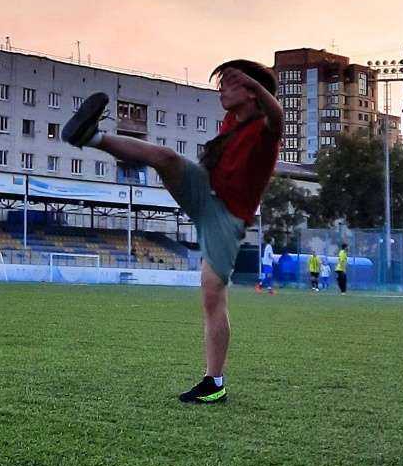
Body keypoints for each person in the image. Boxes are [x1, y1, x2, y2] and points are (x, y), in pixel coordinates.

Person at [64, 59, 281, 404]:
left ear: (252, 92)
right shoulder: (231, 120)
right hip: (204, 189)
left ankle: (215, 383)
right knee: (166, 156)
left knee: (212, 293)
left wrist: (256, 87)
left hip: (226, 217)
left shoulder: (267, 128)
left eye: (229, 82)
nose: (221, 89)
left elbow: (277, 114)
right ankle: (90, 136)